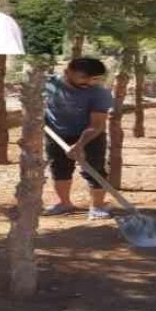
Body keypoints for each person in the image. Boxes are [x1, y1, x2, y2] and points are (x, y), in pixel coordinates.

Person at [43, 58, 114, 219]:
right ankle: (64, 203)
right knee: (59, 169)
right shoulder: (49, 84)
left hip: (90, 135)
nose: (89, 82)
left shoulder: (100, 93)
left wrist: (80, 144)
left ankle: (97, 206)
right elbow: (35, 105)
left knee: (94, 170)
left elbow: (97, 124)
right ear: (67, 72)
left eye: (94, 78)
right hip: (56, 134)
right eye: (83, 77)